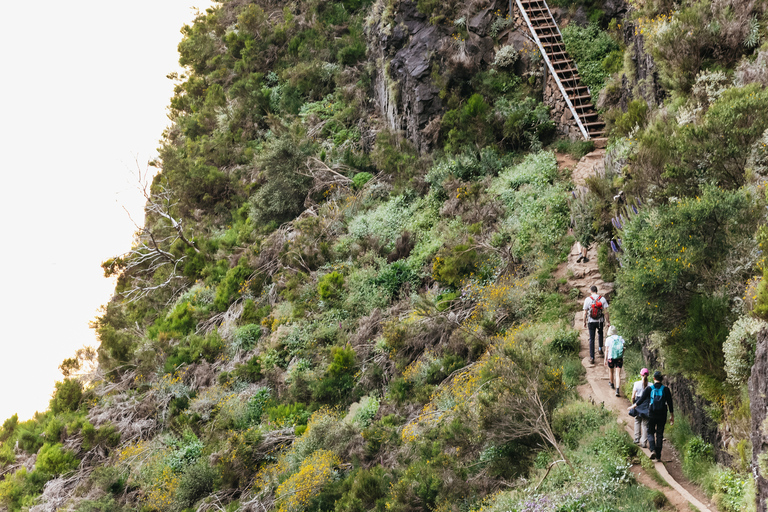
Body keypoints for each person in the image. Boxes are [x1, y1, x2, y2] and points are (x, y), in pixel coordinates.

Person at [629, 370, 674, 461]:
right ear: (662, 379)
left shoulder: (650, 388)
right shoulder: (666, 389)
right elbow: (670, 403)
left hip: (652, 413)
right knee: (660, 434)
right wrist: (672, 416)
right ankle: (658, 456)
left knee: (650, 432)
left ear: (654, 378)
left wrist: (633, 406)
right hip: (662, 414)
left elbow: (641, 399)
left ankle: (652, 449)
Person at [582, 285, 609, 364]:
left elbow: (585, 313)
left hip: (591, 321)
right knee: (600, 333)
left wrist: (584, 322)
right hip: (600, 321)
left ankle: (592, 357)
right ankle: (600, 348)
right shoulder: (602, 299)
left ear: (591, 291)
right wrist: (608, 321)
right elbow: (606, 312)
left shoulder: (588, 299)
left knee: (592, 339)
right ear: (597, 291)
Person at [631, 368, 650, 447]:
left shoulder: (636, 384)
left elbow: (633, 396)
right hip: (646, 404)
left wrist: (634, 404)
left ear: (641, 375)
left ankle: (636, 438)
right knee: (645, 424)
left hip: (638, 402)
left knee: (637, 420)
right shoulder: (651, 385)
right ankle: (644, 442)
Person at [604, 325, 625, 396]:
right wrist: (621, 356)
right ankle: (617, 389)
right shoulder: (620, 338)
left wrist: (605, 359)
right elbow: (623, 348)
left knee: (611, 371)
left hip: (610, 358)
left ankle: (612, 384)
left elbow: (606, 350)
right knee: (618, 374)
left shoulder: (608, 339)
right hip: (619, 358)